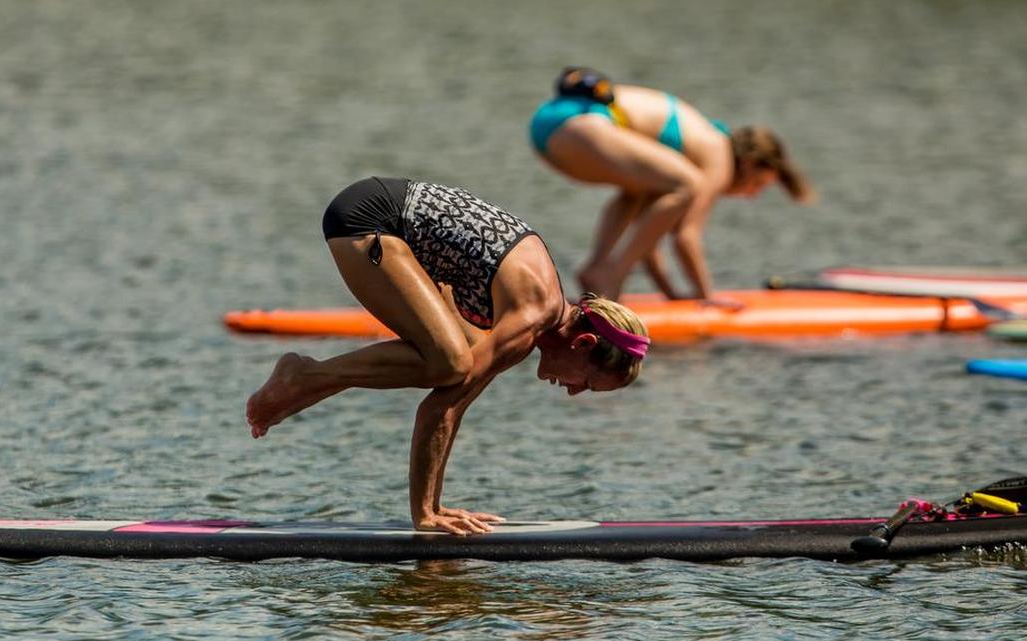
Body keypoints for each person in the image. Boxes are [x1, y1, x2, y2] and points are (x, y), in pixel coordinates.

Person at [245, 177, 650, 536]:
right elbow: (440, 410)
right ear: (583, 345)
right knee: (451, 364)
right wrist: (424, 515)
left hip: (403, 234)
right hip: (371, 221)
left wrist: (437, 506)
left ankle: (307, 378)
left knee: (453, 364)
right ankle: (303, 376)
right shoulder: (531, 316)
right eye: (588, 383)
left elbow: (455, 403)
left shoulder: (536, 314)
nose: (573, 392)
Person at [530, 66, 816, 304]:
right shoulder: (719, 153)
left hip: (549, 128)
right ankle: (610, 273)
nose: (752, 196)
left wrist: (673, 297)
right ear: (751, 164)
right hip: (581, 124)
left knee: (638, 194)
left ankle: (598, 267)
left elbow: (649, 241)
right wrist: (707, 297)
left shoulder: (686, 154)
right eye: (758, 185)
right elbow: (686, 237)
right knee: (687, 183)